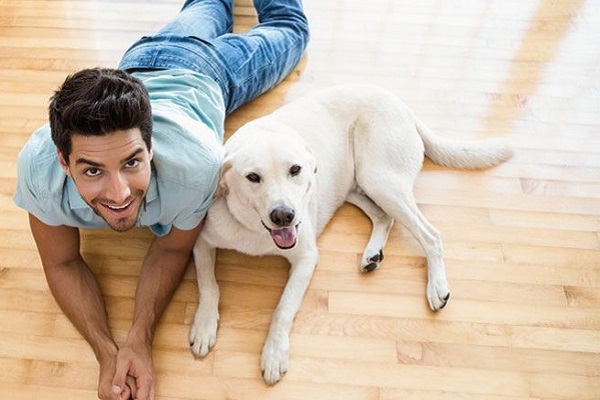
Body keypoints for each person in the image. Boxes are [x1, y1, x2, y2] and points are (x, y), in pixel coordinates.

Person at [13, 0, 309, 398]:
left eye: (132, 162)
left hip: (207, 70)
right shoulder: (38, 170)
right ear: (63, 162)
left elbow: (171, 250)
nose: (119, 195)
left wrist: (140, 338)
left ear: (150, 148)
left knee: (291, 26)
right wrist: (107, 353)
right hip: (138, 61)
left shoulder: (196, 172)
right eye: (93, 170)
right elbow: (61, 262)